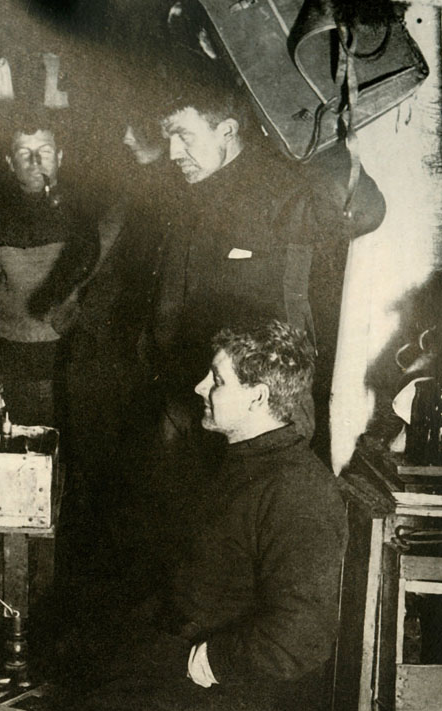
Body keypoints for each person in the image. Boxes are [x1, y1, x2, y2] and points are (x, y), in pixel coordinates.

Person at [57, 320, 348, 711]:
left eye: (217, 380)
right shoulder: (238, 462)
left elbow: (301, 636)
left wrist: (208, 661)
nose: (199, 387)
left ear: (258, 397)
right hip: (183, 667)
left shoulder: (299, 490)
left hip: (236, 695)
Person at [151, 77, 386, 449]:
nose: (173, 152)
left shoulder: (277, 187)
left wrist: (313, 134)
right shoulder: (190, 193)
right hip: (190, 397)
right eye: (168, 139)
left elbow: (363, 211)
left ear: (227, 130)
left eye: (183, 136)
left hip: (263, 406)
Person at [0, 102, 99, 426]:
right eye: (24, 152)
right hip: (7, 364)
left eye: (44, 151)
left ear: (60, 156)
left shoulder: (86, 217)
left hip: (67, 364)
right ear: (9, 161)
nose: (35, 161)